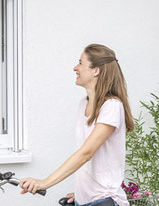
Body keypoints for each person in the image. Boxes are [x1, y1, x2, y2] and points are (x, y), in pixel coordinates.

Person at [20, 44, 134, 206]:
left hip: (105, 200)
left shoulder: (111, 106)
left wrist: (44, 183)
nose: (75, 68)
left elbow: (86, 152)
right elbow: (92, 161)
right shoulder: (83, 104)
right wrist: (82, 193)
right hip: (86, 200)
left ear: (96, 70)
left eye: (80, 63)